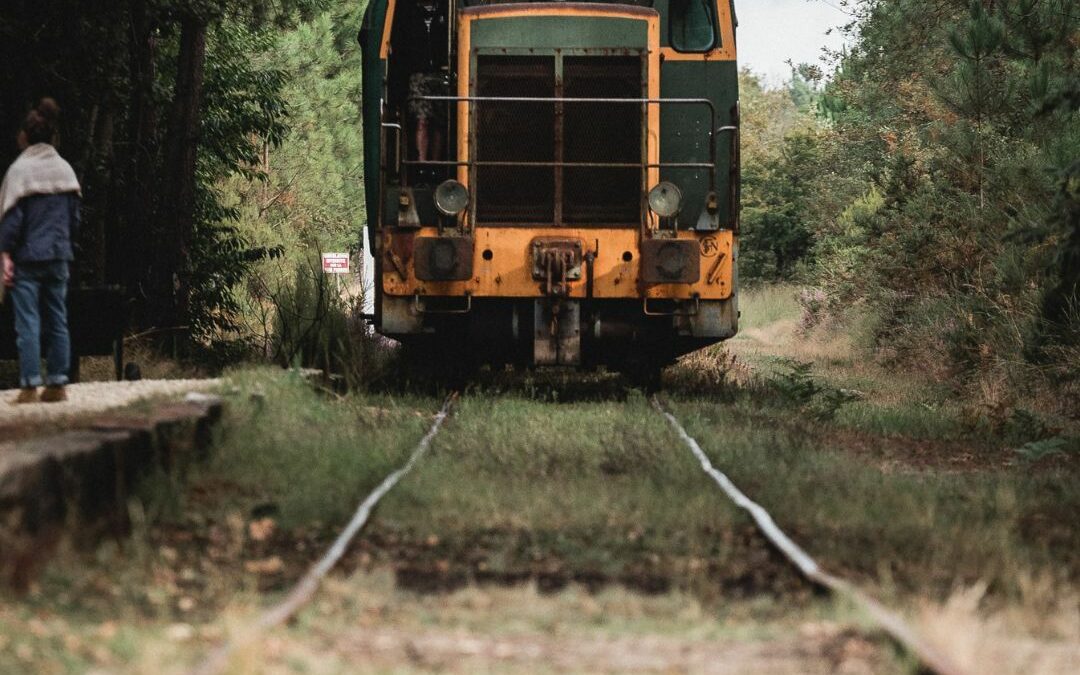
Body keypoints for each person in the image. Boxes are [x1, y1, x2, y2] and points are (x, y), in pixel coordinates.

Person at [0, 98, 81, 404]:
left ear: (24, 135)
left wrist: (4, 252)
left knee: (29, 322)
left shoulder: (20, 172)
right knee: (58, 318)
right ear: (52, 136)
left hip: (28, 259)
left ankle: (30, 383)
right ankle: (58, 382)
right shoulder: (65, 171)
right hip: (59, 256)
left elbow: (13, 221)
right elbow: (74, 219)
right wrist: (67, 247)